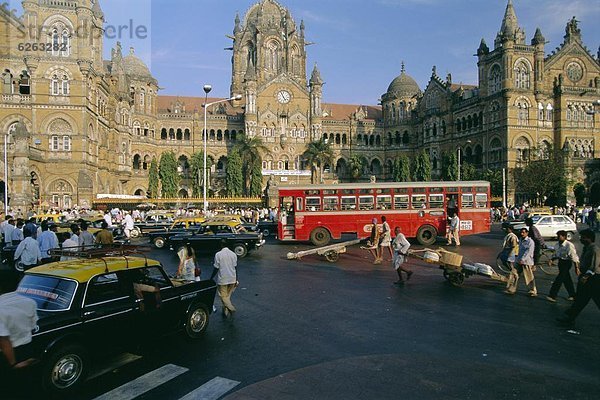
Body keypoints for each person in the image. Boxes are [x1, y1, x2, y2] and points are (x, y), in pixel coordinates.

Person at [557, 229, 600, 326]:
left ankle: (570, 316)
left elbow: (594, 266)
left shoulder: (594, 249)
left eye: (583, 237)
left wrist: (585, 277)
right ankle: (570, 317)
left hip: (593, 279)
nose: (581, 239)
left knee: (587, 299)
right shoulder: (586, 248)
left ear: (589, 238)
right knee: (581, 300)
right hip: (587, 278)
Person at [0, 291, 38, 371]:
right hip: (27, 348)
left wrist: (13, 364)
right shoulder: (30, 302)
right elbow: (32, 327)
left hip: (8, 355)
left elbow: (4, 340)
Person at [547, 230, 579, 303]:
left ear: (564, 237)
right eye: (557, 236)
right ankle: (572, 294)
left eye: (559, 236)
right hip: (561, 263)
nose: (558, 237)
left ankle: (552, 295)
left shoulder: (569, 245)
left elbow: (574, 257)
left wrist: (576, 268)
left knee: (559, 279)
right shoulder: (557, 245)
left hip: (567, 263)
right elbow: (556, 254)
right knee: (566, 279)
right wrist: (552, 260)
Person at [210, 240, 239, 318]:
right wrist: (236, 279)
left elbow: (216, 268)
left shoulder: (218, 254)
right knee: (227, 296)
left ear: (221, 245)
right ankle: (225, 312)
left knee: (223, 297)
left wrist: (211, 278)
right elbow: (235, 268)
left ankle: (231, 309)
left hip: (223, 279)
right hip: (232, 278)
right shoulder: (233, 254)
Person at [505, 227, 537, 296]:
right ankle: (511, 289)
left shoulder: (530, 242)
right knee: (514, 274)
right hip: (519, 260)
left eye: (523, 232)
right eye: (521, 232)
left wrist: (523, 259)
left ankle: (532, 291)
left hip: (526, 261)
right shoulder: (521, 240)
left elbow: (529, 252)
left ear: (527, 233)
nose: (522, 234)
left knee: (529, 277)